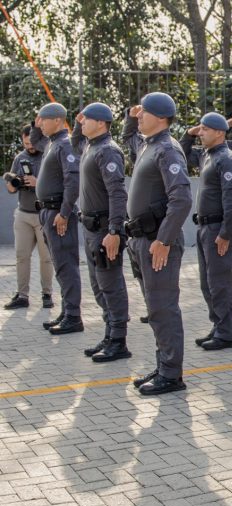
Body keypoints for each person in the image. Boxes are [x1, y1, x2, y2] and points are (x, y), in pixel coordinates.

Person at [122, 92, 193, 396]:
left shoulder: (167, 149)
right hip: (141, 240)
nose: (139, 117)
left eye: (144, 112)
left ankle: (171, 374)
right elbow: (128, 136)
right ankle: (163, 364)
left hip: (156, 243)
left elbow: (181, 200)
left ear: (161, 117)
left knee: (163, 307)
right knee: (153, 307)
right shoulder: (148, 145)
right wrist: (131, 114)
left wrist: (163, 240)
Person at [71, 103, 131, 362]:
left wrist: (115, 230)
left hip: (104, 229)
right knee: (98, 285)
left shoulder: (107, 151)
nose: (82, 122)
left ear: (101, 123)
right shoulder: (89, 146)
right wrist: (76, 123)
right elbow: (75, 140)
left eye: (87, 119)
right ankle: (109, 334)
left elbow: (117, 193)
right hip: (90, 228)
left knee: (111, 284)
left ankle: (118, 341)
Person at [180, 112, 232, 351]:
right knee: (208, 283)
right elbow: (183, 154)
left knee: (219, 284)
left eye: (206, 129)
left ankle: (227, 334)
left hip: (218, 229)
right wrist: (189, 133)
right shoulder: (208, 155)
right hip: (204, 228)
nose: (201, 132)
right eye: (201, 128)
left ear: (219, 132)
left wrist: (226, 233)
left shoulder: (226, 159)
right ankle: (219, 326)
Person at [33, 103, 83, 335]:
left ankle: (73, 316)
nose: (40, 123)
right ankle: (67, 310)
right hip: (48, 212)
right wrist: (36, 125)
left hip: (58, 213)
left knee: (66, 265)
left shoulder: (65, 143)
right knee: (59, 264)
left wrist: (64, 213)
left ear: (57, 120)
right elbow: (35, 141)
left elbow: (72, 182)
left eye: (43, 119)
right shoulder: (52, 143)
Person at [3, 124, 53, 310]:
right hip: (23, 214)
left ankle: (47, 294)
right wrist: (13, 183)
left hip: (42, 215)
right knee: (21, 256)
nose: (29, 147)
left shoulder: (48, 155)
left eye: (31, 143)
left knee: (46, 257)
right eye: (25, 144)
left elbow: (56, 184)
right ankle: (22, 295)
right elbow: (11, 188)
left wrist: (36, 182)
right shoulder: (20, 157)